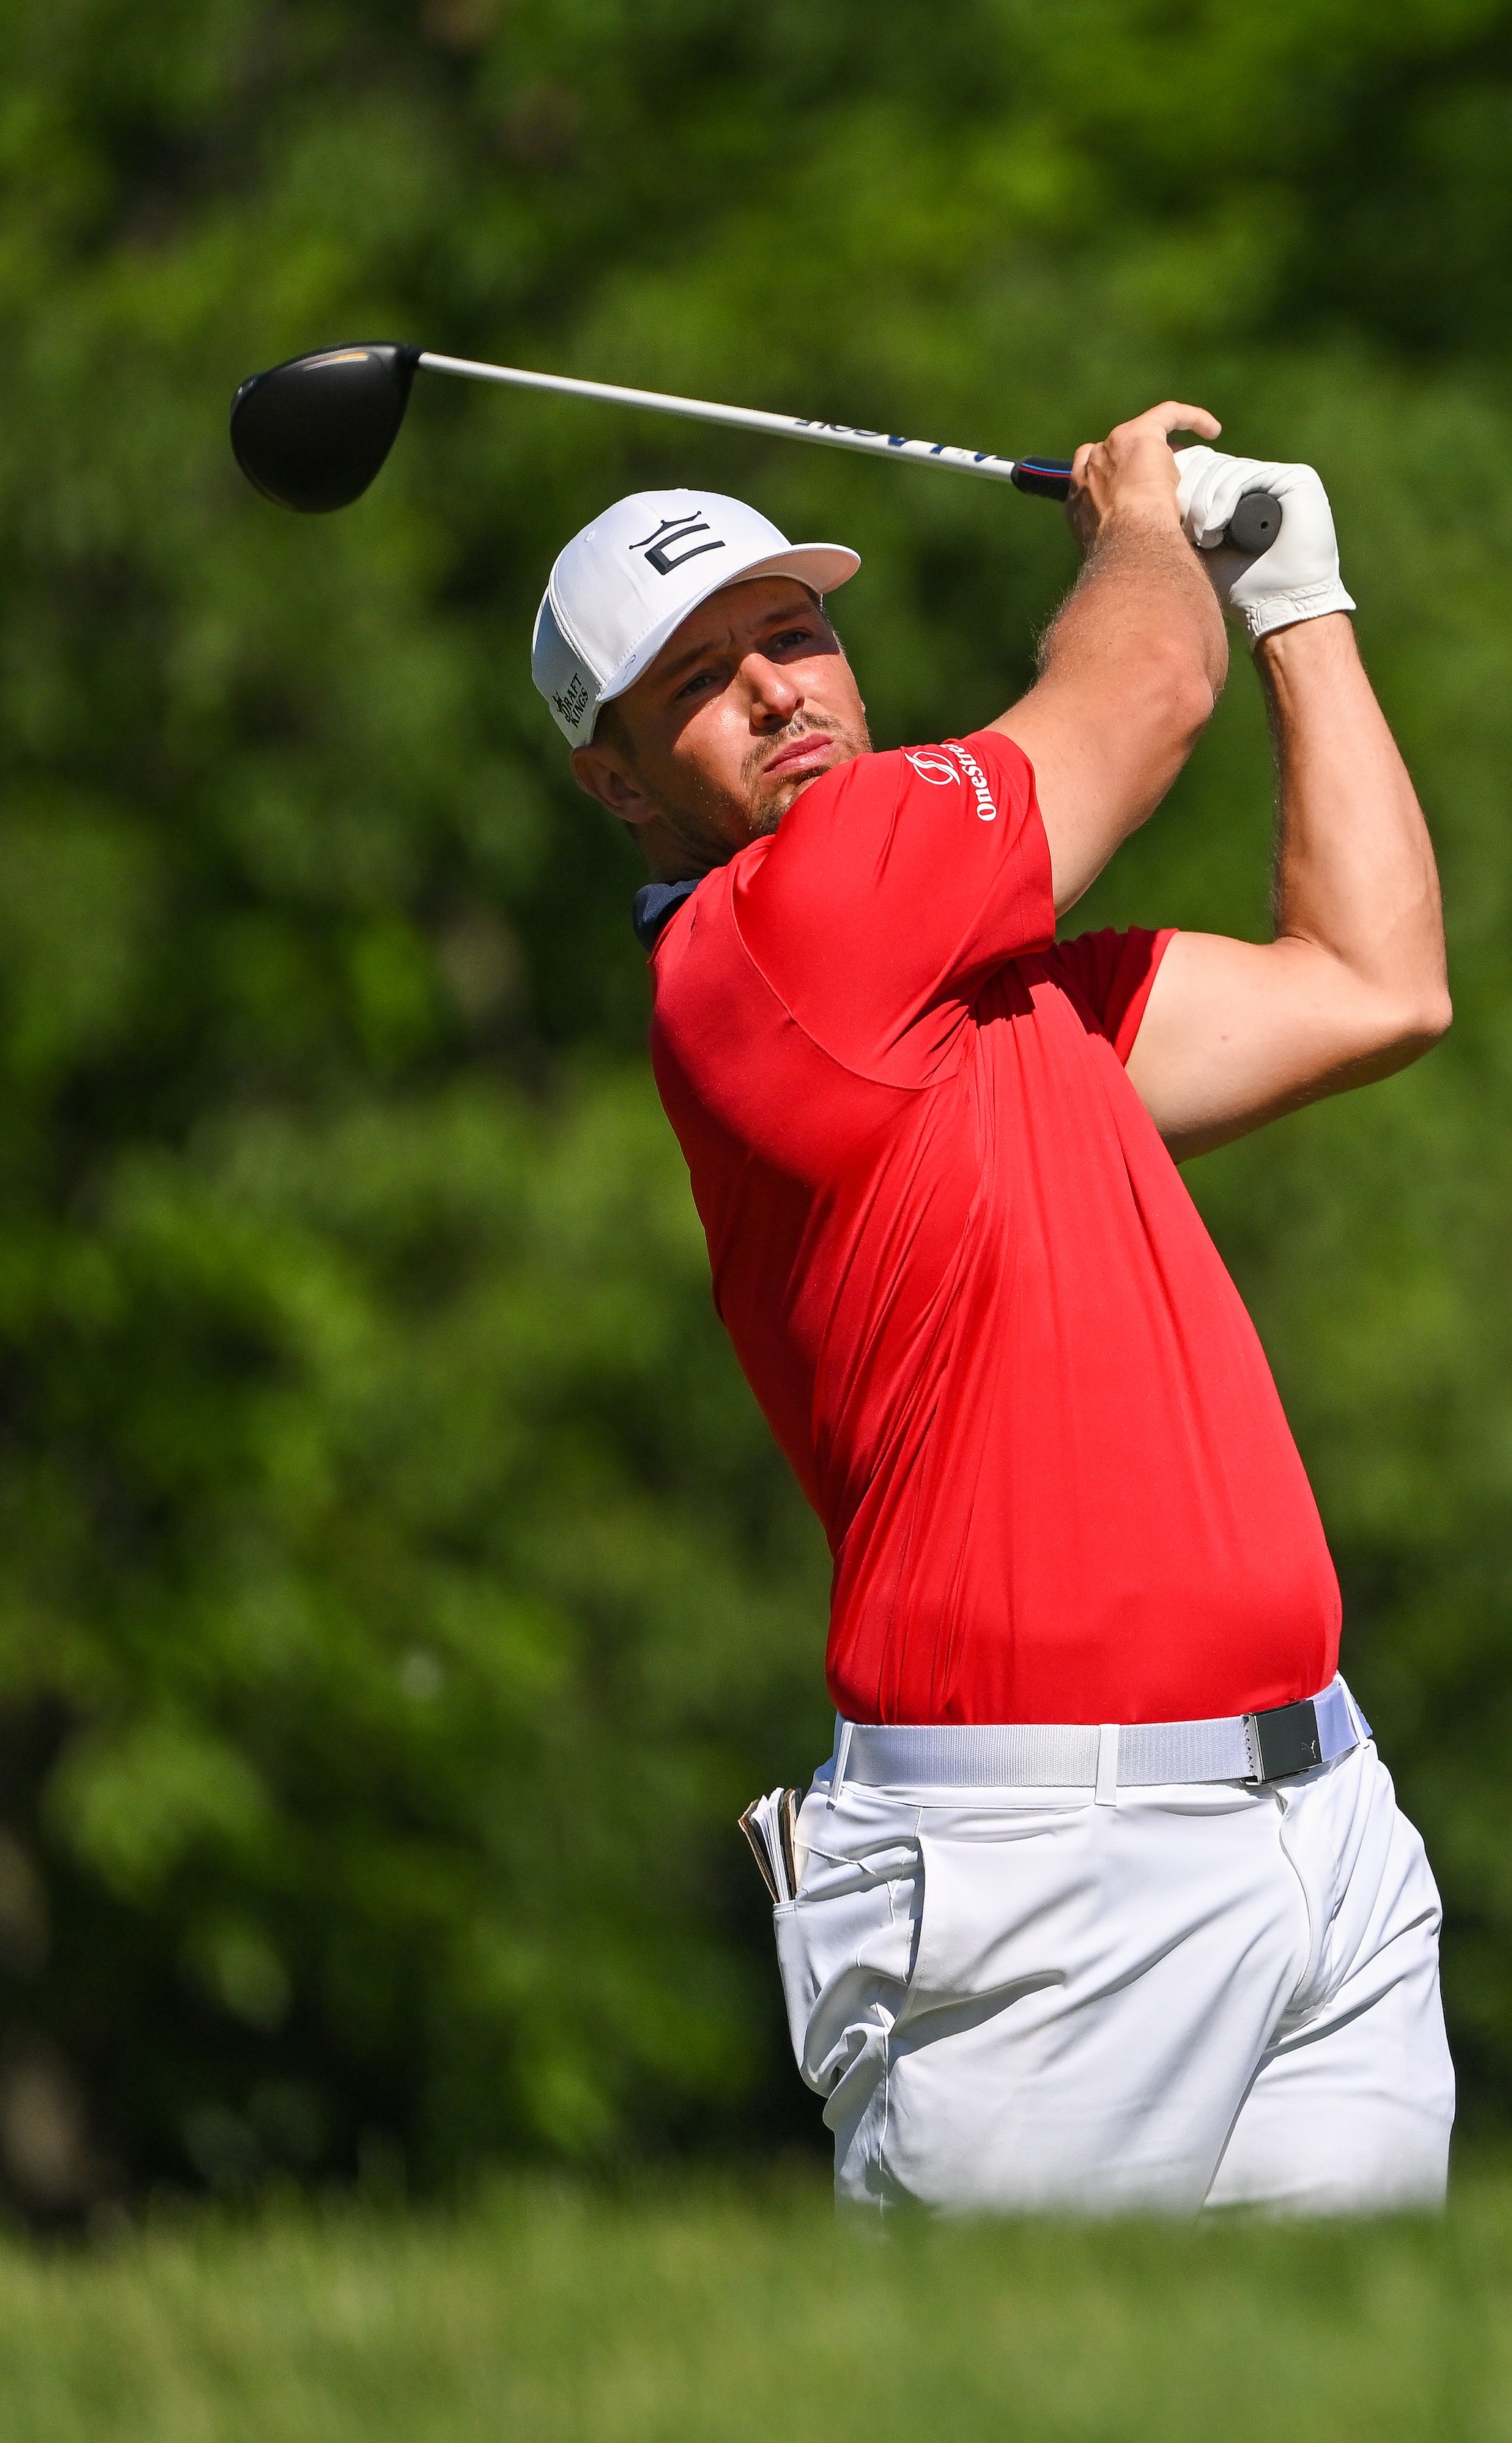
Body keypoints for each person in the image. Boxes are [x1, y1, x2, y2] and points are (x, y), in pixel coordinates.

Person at [532, 403, 1453, 2211]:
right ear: (623, 780)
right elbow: (1141, 695)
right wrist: (1141, 517)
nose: (782, 692)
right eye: (704, 684)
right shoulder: (783, 939)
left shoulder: (997, 998)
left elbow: (1373, 983)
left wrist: (1304, 605)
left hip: (1320, 1819)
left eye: (793, 633)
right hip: (1036, 1863)